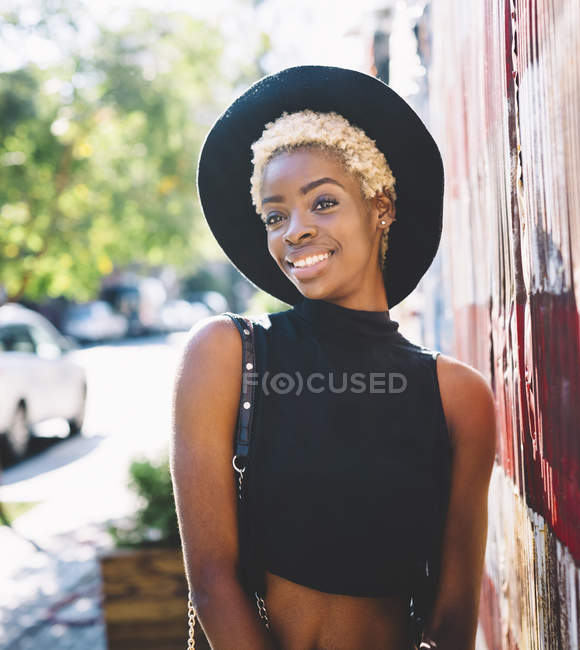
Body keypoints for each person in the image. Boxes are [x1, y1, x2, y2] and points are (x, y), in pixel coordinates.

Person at [171, 65, 496, 650]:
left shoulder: (459, 397)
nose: (295, 231)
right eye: (275, 215)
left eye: (322, 202)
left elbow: (452, 618)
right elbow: (212, 580)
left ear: (382, 208)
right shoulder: (227, 354)